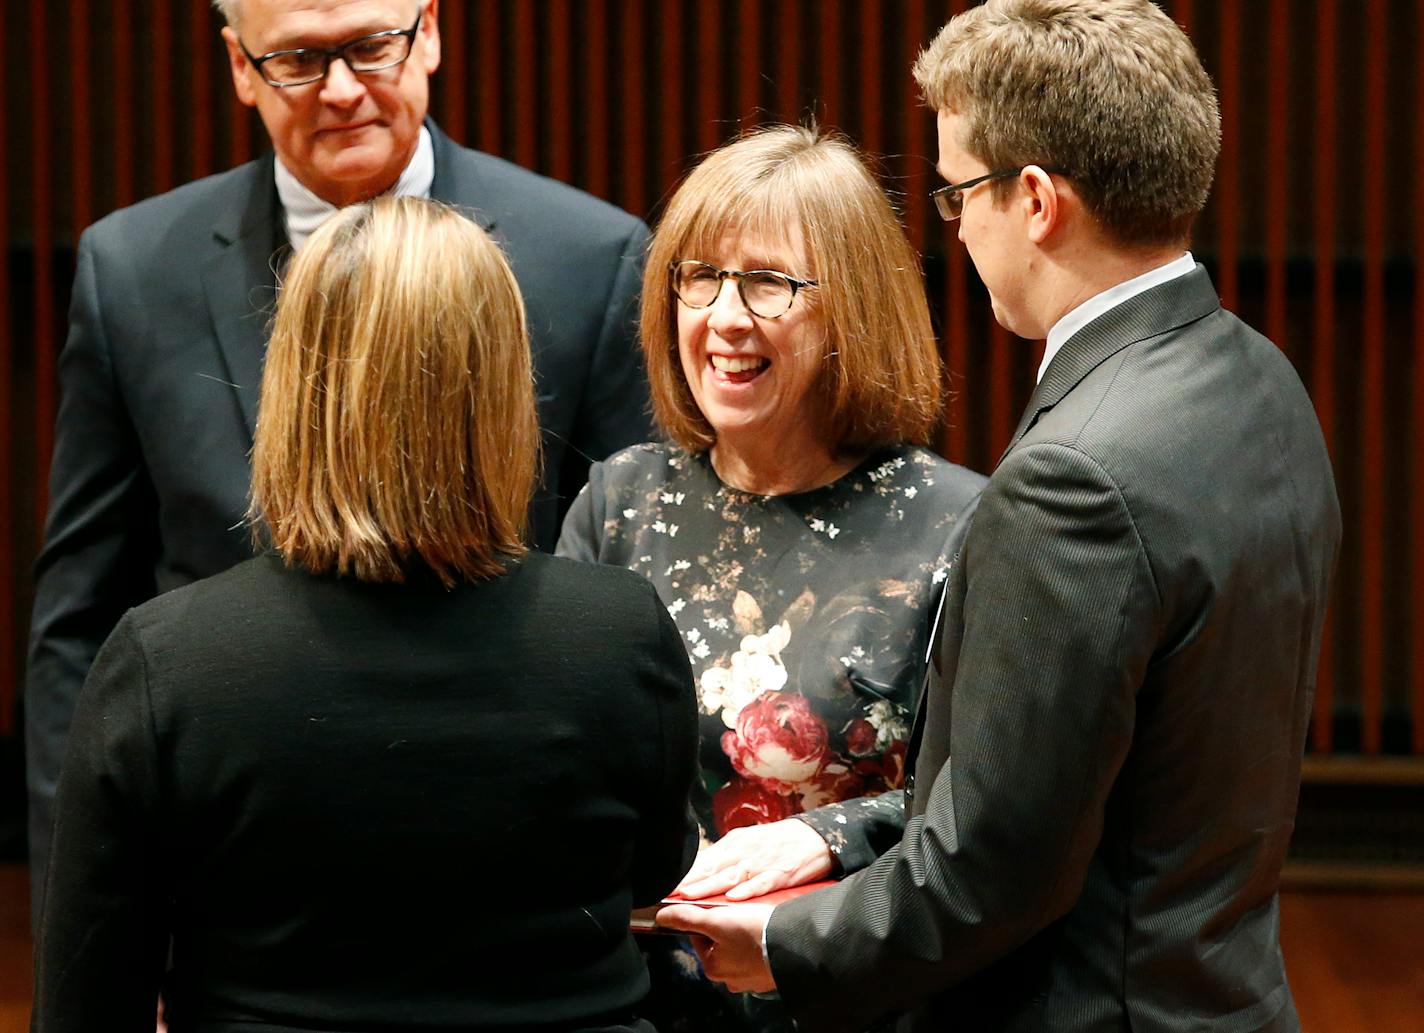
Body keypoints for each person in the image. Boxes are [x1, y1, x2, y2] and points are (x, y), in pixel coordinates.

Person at [659, 4, 1342, 1032]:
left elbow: (995, 868)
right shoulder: (1256, 376)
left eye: (954, 191)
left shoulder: (1072, 475)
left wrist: (783, 947)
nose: (955, 224)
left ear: (1032, 200)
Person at [26, 0, 653, 916]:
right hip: (223, 881)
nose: (343, 91)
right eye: (299, 60)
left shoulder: (586, 259)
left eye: (370, 45)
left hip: (509, 874)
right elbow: (75, 627)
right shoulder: (130, 270)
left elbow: (629, 597)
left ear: (428, 30)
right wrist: (82, 918)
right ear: (239, 64)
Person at [31, 197, 698, 1033]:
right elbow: (652, 871)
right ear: (502, 390)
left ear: (292, 386)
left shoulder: (166, 664)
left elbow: (85, 1000)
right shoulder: (620, 634)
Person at [557, 125, 985, 1032]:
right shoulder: (619, 501)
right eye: (700, 276)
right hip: (633, 1005)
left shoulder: (960, 525)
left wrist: (823, 833)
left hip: (847, 996)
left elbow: (987, 805)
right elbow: (554, 752)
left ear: (853, 309)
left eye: (769, 282)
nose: (725, 315)